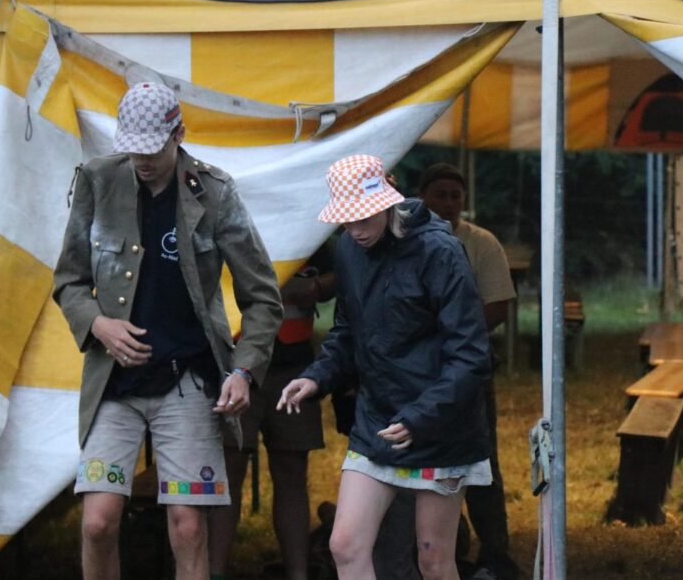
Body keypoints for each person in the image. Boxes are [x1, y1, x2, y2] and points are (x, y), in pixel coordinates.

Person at [53, 81, 282, 580]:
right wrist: (97, 324)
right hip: (114, 382)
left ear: (179, 134)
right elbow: (69, 281)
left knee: (188, 525)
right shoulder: (97, 181)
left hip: (188, 379)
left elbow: (263, 297)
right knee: (97, 522)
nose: (142, 160)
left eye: (152, 149)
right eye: (133, 148)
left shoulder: (215, 192)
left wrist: (243, 371)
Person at [278, 154, 492, 580]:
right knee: (344, 545)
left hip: (441, 427)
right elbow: (347, 332)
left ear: (388, 202)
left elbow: (471, 355)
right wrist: (315, 377)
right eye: (346, 221)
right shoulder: (349, 249)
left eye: (363, 218)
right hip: (376, 419)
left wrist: (420, 417)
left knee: (433, 560)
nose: (355, 229)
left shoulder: (440, 251)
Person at [208, 242, 336, 580]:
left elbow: (342, 269)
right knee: (228, 473)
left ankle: (298, 572)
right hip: (235, 365)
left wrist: (318, 286)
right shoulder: (232, 222)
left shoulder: (310, 231)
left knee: (292, 473)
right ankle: (214, 572)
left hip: (293, 366)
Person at [417, 162, 520, 580]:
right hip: (418, 372)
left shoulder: (481, 243)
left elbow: (498, 304)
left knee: (481, 460)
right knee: (428, 463)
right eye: (439, 195)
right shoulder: (407, 239)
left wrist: (455, 333)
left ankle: (496, 552)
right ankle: (447, 549)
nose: (448, 203)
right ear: (422, 197)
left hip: (470, 369)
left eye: (454, 196)